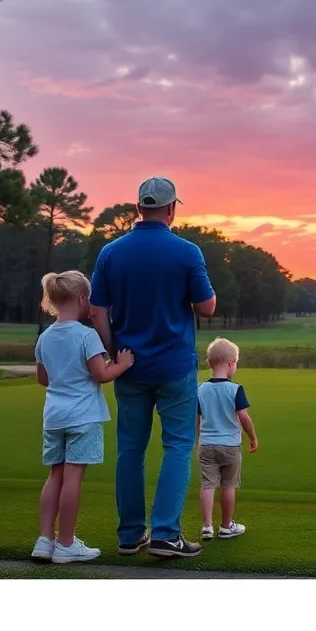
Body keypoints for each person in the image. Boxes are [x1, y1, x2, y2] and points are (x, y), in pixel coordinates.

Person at [89, 177, 217, 559]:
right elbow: (207, 307)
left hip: (129, 366)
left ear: (138, 207)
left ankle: (130, 535)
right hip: (174, 365)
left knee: (130, 450)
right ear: (172, 208)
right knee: (178, 446)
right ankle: (165, 534)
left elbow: (97, 311)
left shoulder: (111, 252)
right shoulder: (187, 251)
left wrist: (114, 352)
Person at [32, 271, 134, 563]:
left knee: (55, 476)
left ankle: (45, 540)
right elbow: (101, 374)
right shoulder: (87, 335)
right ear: (81, 298)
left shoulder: (44, 338)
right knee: (73, 479)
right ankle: (66, 543)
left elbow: (43, 378)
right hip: (82, 416)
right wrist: (122, 364)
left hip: (54, 416)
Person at [196, 337, 259, 541]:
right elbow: (243, 417)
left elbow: (196, 419)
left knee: (207, 485)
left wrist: (197, 440)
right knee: (228, 485)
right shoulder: (235, 389)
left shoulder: (200, 389)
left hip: (207, 444)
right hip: (230, 445)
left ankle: (207, 526)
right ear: (231, 362)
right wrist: (252, 437)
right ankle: (226, 526)